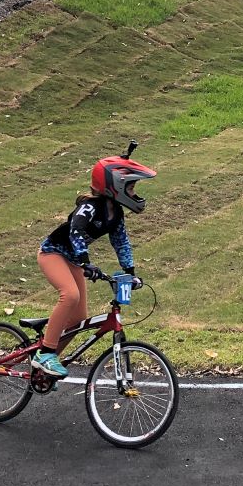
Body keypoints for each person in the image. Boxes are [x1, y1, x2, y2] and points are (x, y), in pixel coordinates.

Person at [32, 152, 156, 377]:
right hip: (52, 254)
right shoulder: (89, 207)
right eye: (130, 188)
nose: (134, 193)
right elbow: (75, 231)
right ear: (114, 187)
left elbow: (121, 242)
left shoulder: (115, 213)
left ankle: (46, 368)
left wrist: (131, 273)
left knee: (78, 318)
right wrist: (86, 262)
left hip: (72, 260)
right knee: (70, 295)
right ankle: (45, 354)